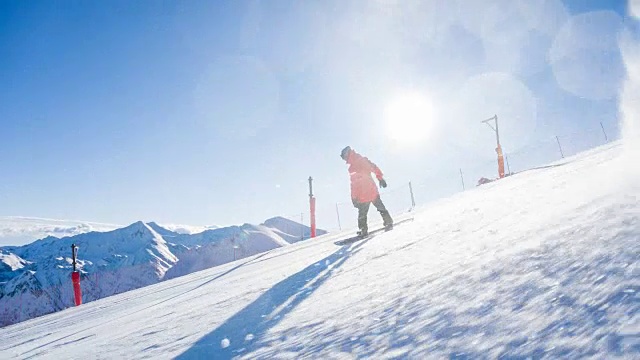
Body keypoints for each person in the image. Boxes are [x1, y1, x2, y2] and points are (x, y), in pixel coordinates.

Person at [340, 146, 393, 236]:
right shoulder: (356, 164)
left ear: (347, 154)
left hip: (364, 195)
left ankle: (364, 230)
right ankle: (387, 222)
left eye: (344, 157)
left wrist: (354, 197)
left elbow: (354, 184)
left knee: (363, 214)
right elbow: (355, 184)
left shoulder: (358, 163)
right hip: (370, 192)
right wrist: (380, 178)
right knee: (378, 208)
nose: (344, 160)